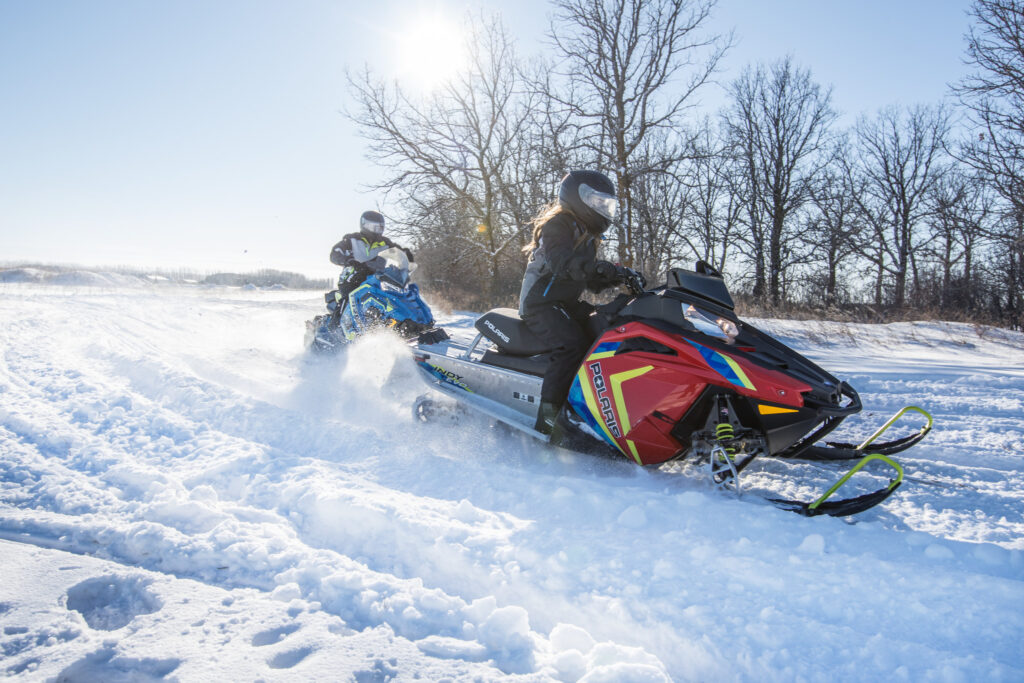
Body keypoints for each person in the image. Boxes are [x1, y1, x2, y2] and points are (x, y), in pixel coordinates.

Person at [519, 170, 626, 434]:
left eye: (606, 203)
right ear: (579, 198)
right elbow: (562, 264)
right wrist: (598, 268)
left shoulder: (588, 235)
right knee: (571, 346)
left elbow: (588, 279)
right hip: (540, 304)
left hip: (563, 303)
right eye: (598, 202)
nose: (602, 208)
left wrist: (617, 276)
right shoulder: (558, 225)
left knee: (605, 328)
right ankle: (547, 421)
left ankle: (590, 407)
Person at [326, 210, 415, 327]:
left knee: (394, 299)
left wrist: (406, 256)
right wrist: (348, 260)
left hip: (377, 279)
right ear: (365, 225)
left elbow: (399, 253)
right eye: (374, 227)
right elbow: (335, 254)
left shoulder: (385, 243)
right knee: (347, 299)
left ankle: (402, 324)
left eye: (380, 228)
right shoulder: (351, 240)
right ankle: (334, 328)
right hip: (352, 278)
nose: (377, 231)